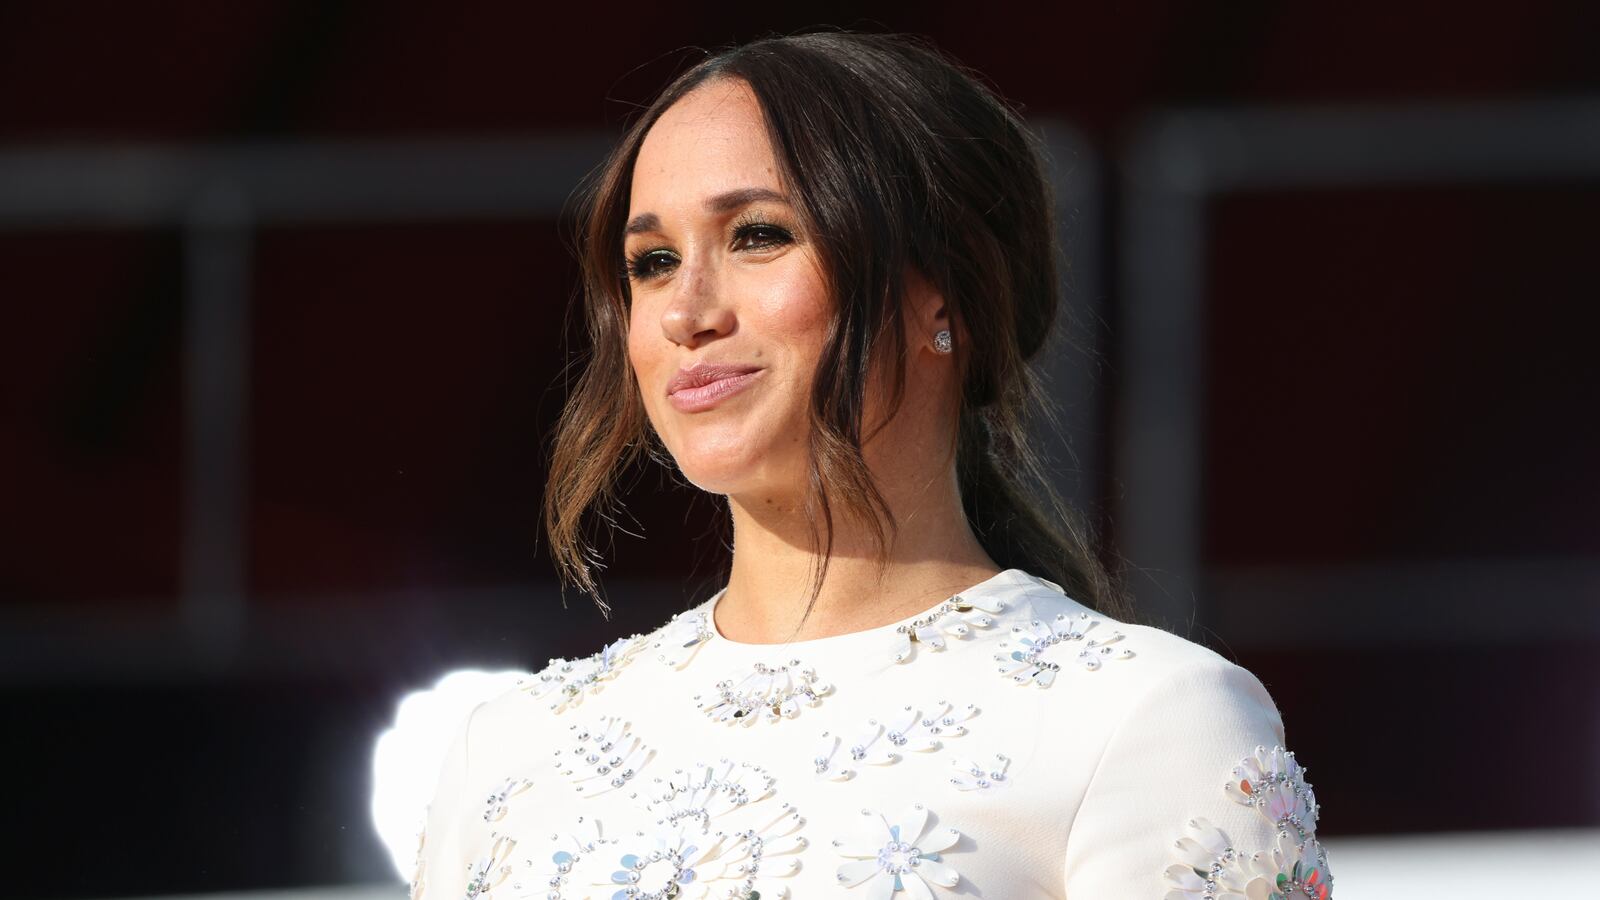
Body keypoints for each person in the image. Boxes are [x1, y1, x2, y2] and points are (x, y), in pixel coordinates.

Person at [408, 31, 1331, 899]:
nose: (686, 310)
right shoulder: (513, 750)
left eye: (758, 235)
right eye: (650, 261)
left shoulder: (1146, 723)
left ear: (948, 291)